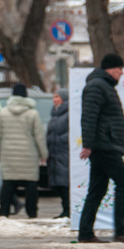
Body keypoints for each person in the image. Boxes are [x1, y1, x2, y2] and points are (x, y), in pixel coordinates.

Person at [78, 53, 124, 243]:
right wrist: (88, 145)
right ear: (110, 69)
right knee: (123, 182)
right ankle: (120, 231)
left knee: (97, 190)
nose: (122, 73)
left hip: (104, 144)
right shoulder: (97, 86)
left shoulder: (103, 86)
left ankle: (86, 233)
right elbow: (89, 117)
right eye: (119, 69)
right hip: (103, 145)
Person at [0, 84, 47, 219]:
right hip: (29, 154)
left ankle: (3, 212)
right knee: (31, 185)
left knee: (8, 184)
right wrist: (43, 154)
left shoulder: (3, 113)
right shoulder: (33, 113)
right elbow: (39, 136)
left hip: (8, 154)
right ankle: (32, 212)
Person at [47, 88, 70, 219]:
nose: (54, 99)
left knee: (64, 182)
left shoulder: (67, 113)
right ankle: (65, 209)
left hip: (63, 151)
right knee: (58, 183)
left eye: (57, 97)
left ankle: (68, 209)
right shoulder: (54, 113)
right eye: (54, 97)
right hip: (55, 151)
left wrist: (61, 139)